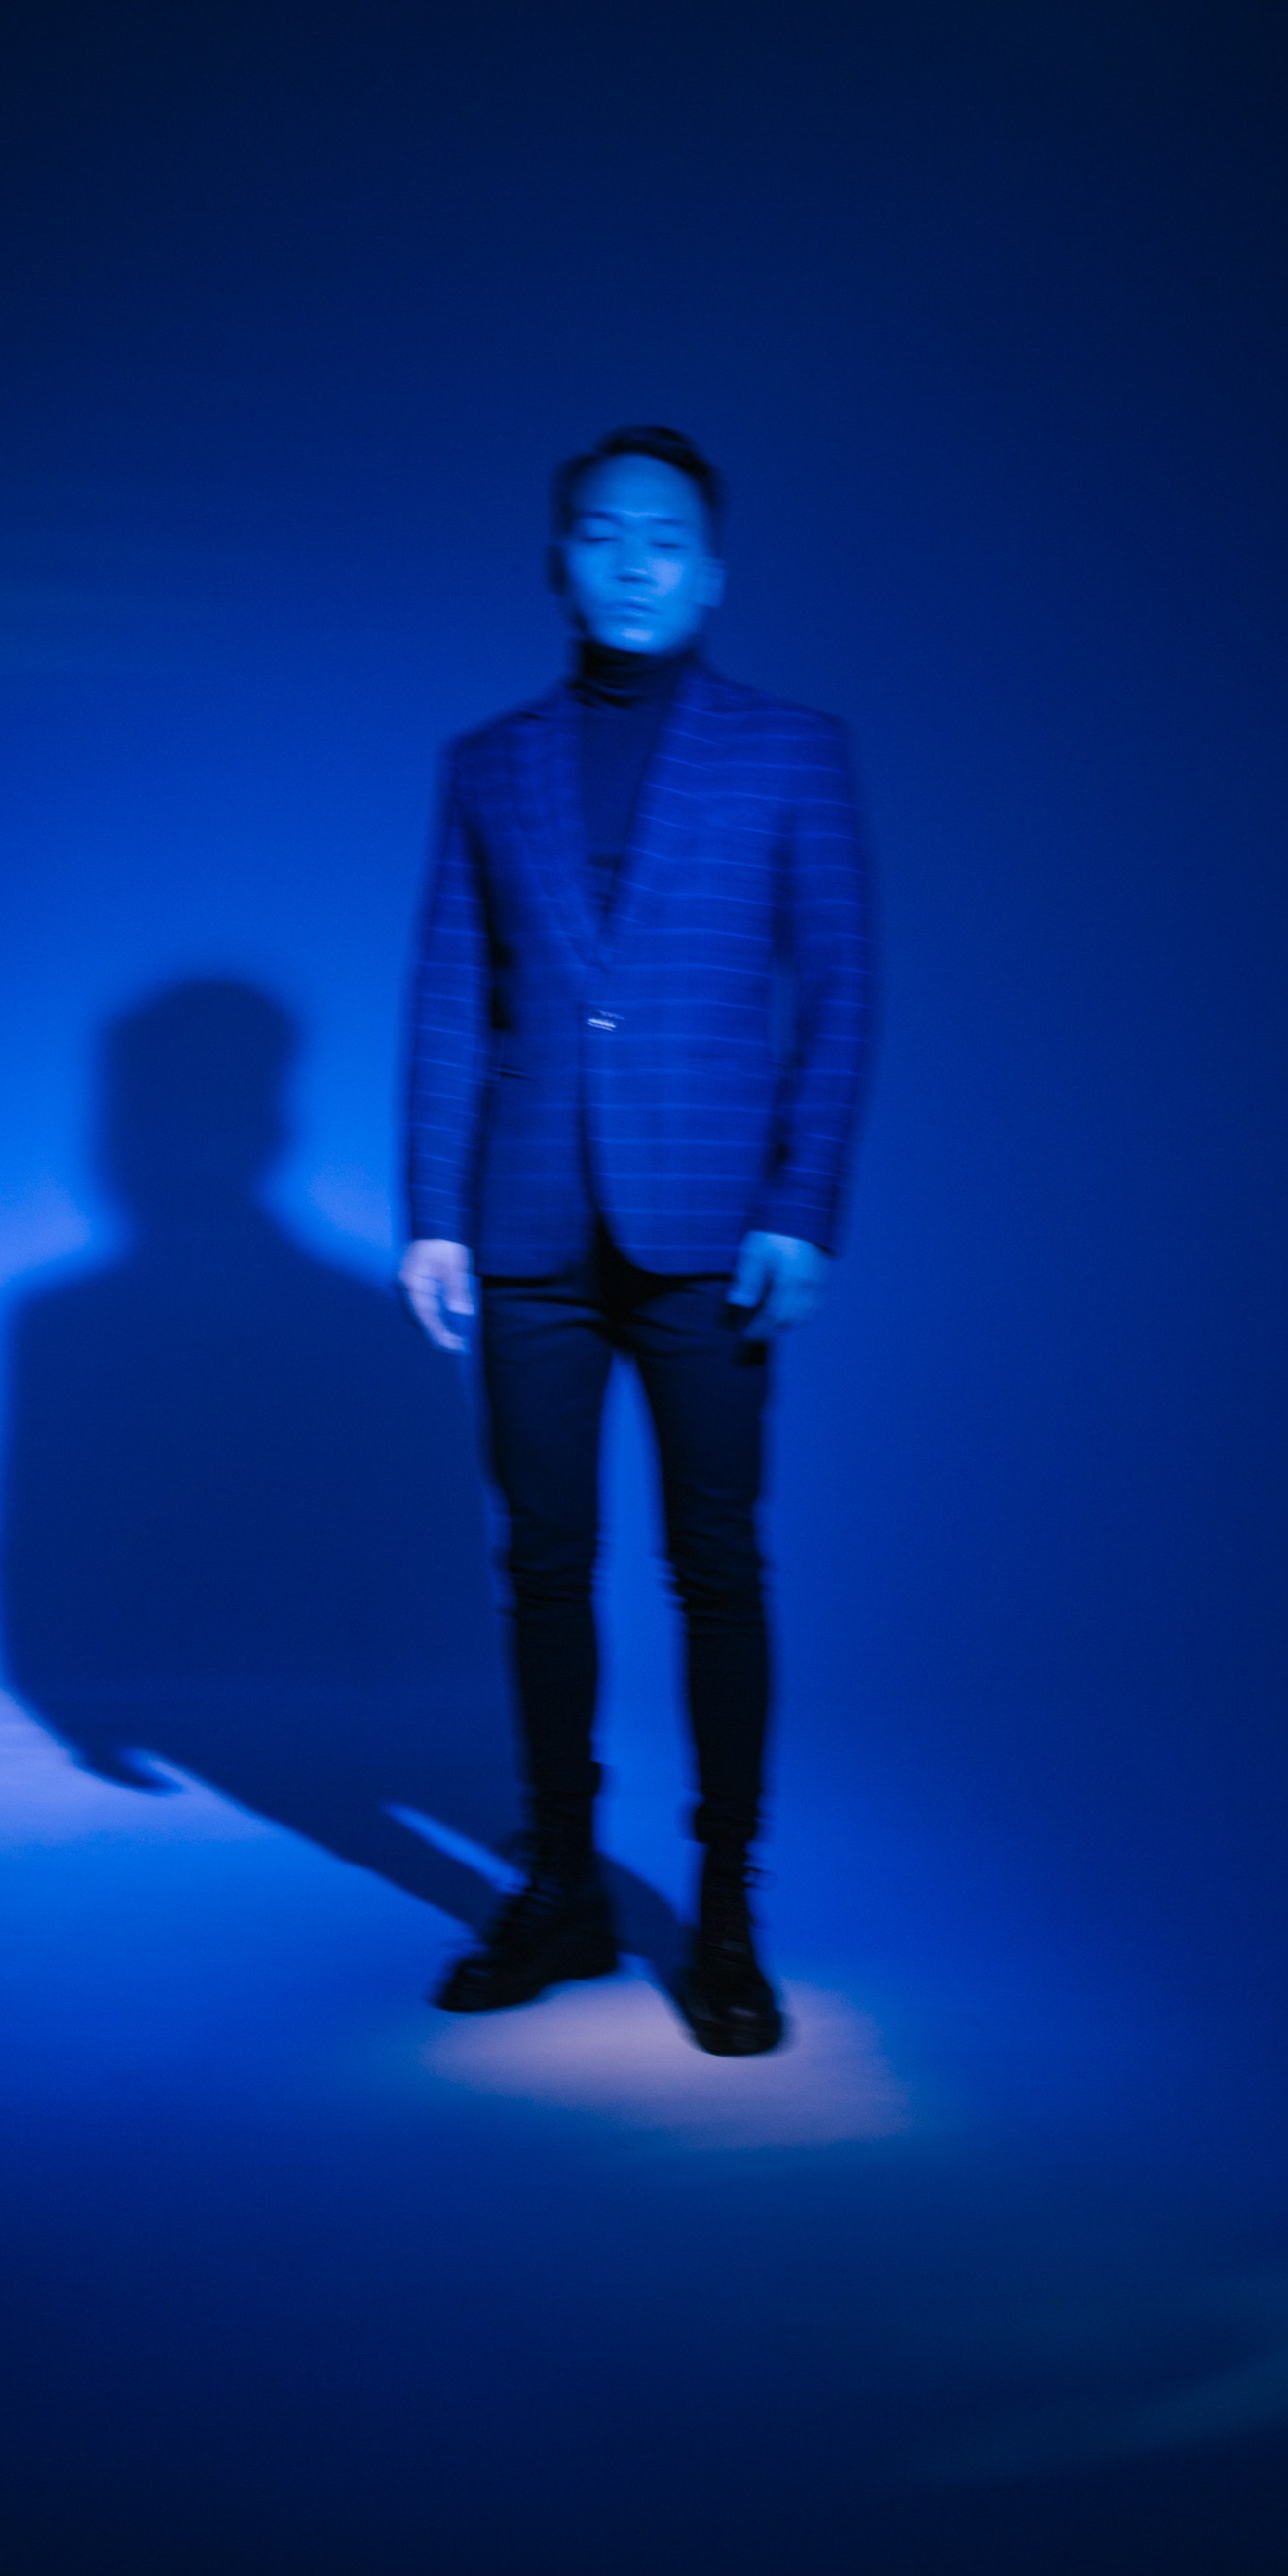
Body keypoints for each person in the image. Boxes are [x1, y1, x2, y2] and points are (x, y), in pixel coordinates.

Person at [399, 425, 871, 2055]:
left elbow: (840, 990)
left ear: (713, 570)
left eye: (665, 537)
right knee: (542, 1563)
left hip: (711, 1229)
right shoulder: (488, 762)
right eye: (601, 533)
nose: (633, 561)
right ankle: (563, 1889)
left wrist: (801, 1203)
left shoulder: (791, 752)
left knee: (714, 1564)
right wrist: (434, 1216)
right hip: (528, 1220)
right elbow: (451, 994)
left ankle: (726, 1908)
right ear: (559, 559)